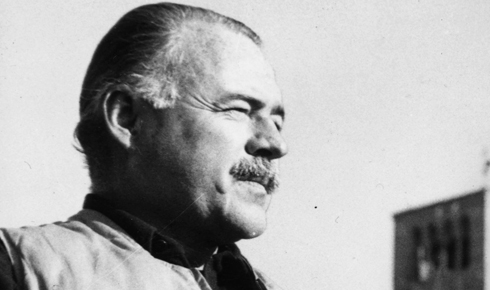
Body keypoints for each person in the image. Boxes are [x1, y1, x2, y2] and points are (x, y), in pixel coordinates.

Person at [0, 3, 288, 290]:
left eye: (276, 122)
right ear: (127, 119)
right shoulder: (17, 265)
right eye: (238, 109)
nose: (275, 144)